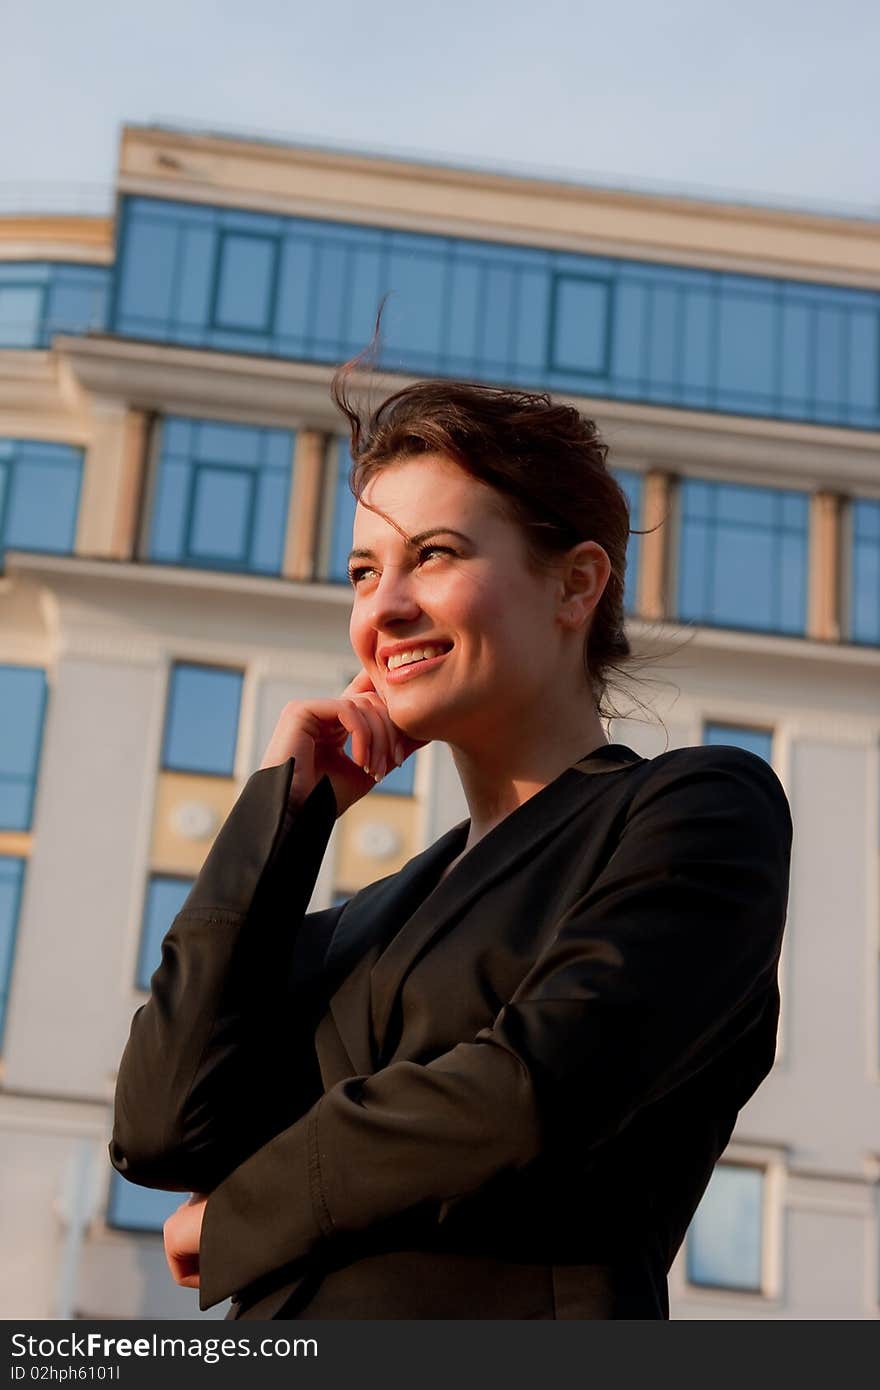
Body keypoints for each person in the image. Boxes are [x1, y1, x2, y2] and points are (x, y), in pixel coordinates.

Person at [109, 372, 793, 1320]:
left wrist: (246, 1213)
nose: (383, 607)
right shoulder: (366, 920)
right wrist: (282, 814)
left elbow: (528, 1092)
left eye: (433, 555)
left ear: (577, 583)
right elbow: (162, 1128)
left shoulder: (696, 811)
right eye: (362, 571)